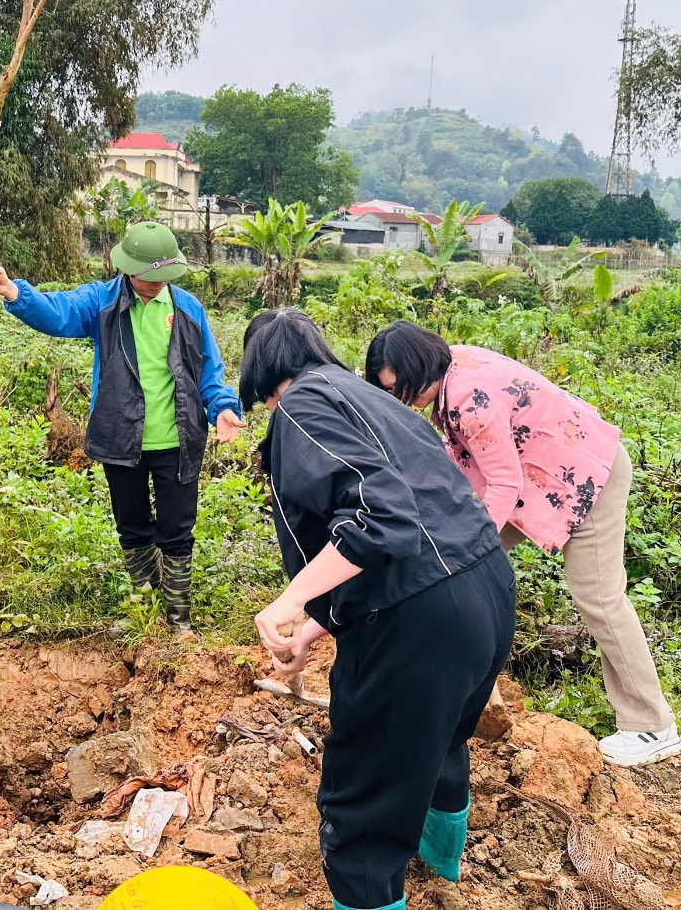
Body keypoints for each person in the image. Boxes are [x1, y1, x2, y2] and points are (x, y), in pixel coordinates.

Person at [243, 309, 516, 910]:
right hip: (486, 587)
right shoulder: (373, 400)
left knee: (361, 802)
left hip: (421, 618)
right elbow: (403, 539)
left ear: (260, 378)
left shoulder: (301, 407)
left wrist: (291, 599)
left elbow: (383, 522)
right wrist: (316, 629)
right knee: (440, 736)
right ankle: (440, 866)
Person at [364, 321, 681, 767]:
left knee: (599, 597)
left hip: (586, 480)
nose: (402, 399)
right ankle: (459, 681)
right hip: (545, 479)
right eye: (389, 390)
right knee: (457, 561)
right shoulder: (453, 363)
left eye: (401, 388)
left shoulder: (468, 398)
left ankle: (652, 725)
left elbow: (503, 484)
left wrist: (469, 542)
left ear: (419, 366)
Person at [0, 221, 242, 637]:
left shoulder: (188, 310)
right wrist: (14, 292)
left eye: (163, 277)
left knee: (176, 531)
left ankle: (178, 620)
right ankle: (145, 608)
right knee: (133, 527)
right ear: (127, 269)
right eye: (148, 277)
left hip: (179, 440)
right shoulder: (102, 302)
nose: (155, 285)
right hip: (122, 437)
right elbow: (59, 313)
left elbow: (209, 372)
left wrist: (222, 407)